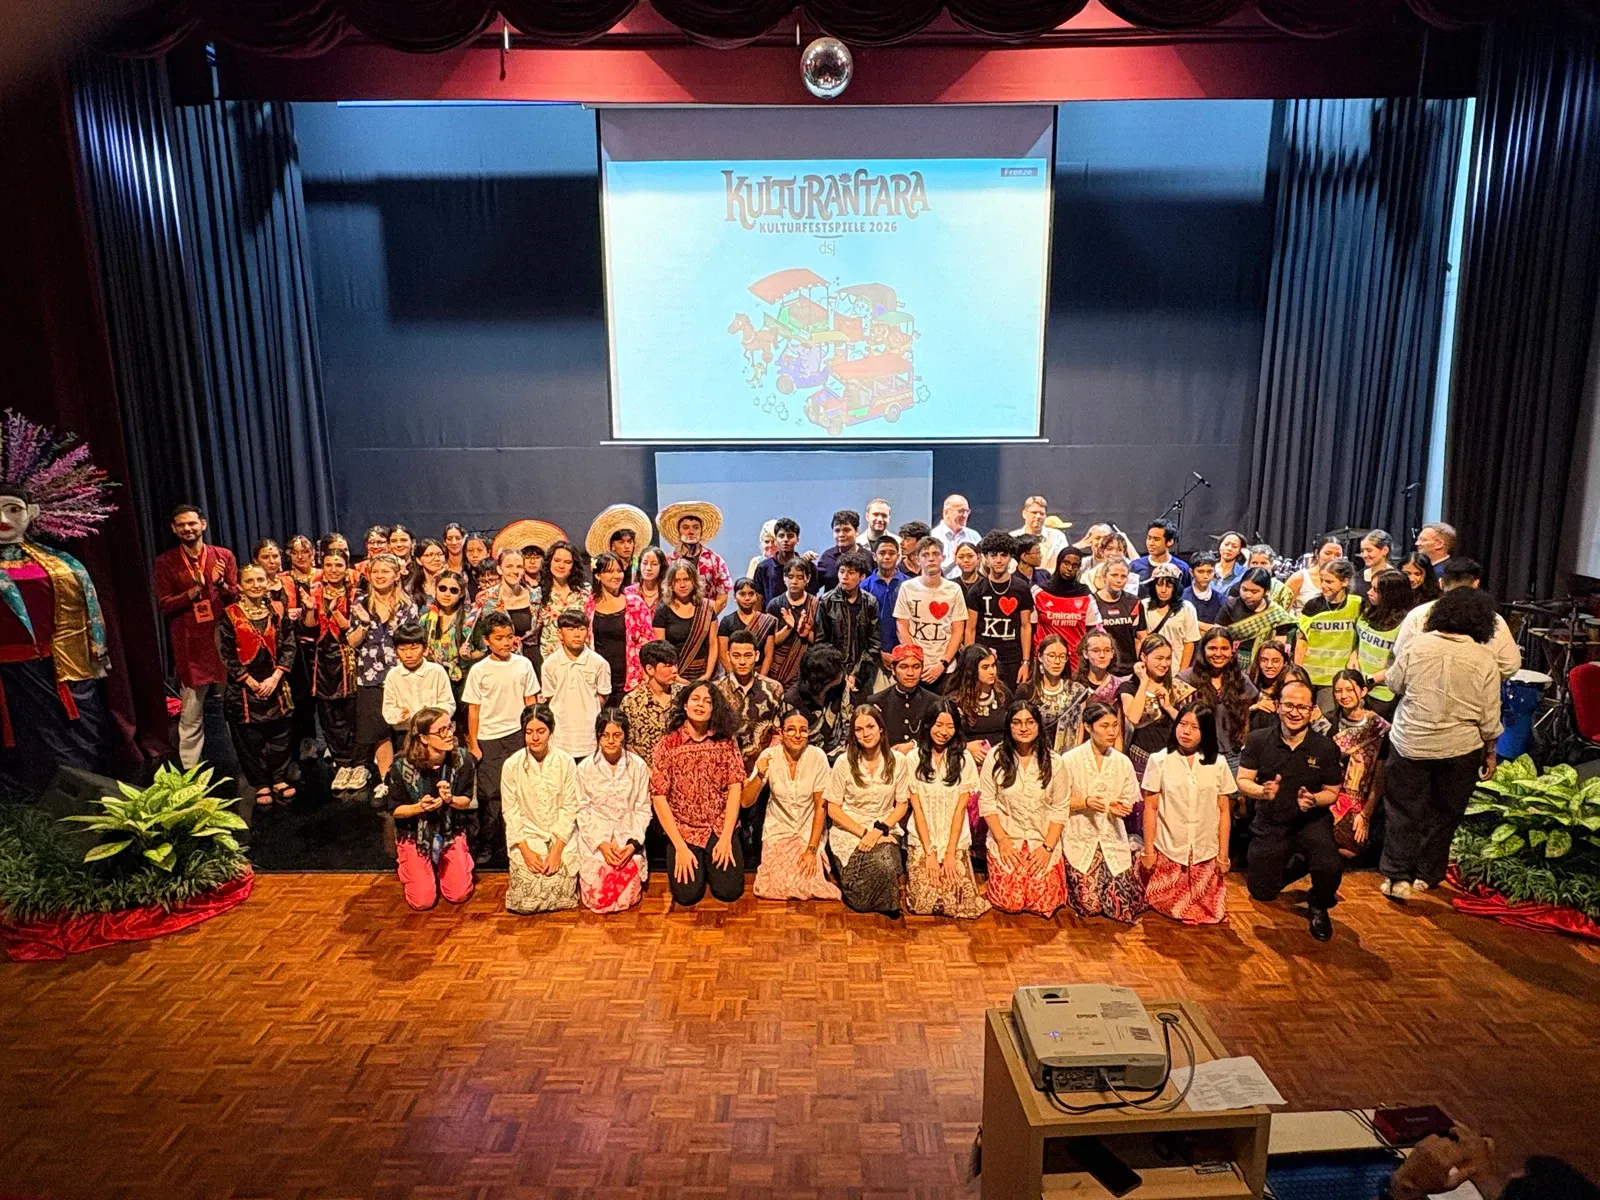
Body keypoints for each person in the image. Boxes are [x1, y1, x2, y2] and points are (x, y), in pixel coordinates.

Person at [1381, 586, 1502, 900]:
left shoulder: (1416, 645)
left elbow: (1393, 683)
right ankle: (1427, 875)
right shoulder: (1485, 659)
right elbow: (1490, 715)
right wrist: (1490, 752)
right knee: (1445, 814)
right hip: (1460, 749)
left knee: (1402, 812)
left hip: (1411, 743)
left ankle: (1397, 877)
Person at [1237, 676, 1344, 940]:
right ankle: (1298, 863)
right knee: (1261, 892)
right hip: (1271, 819)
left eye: (1302, 707)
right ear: (1277, 706)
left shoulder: (1325, 747)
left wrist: (1314, 799)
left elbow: (1332, 792)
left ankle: (1319, 904)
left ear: (1312, 710)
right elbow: (1243, 780)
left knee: (1329, 864)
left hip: (1311, 821)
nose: (1294, 712)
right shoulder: (1259, 740)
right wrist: (1262, 792)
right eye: (1289, 705)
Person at [154, 503, 240, 768]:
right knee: (192, 710)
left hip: (223, 638)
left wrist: (220, 584)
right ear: (174, 529)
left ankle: (239, 761)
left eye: (191, 523)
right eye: (181, 525)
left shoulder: (223, 556)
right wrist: (192, 592)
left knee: (233, 704)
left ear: (203, 524)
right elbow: (164, 604)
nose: (187, 528)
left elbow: (236, 597)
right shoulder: (165, 562)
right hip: (190, 642)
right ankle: (190, 768)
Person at [651, 681, 748, 906]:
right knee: (687, 896)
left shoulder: (726, 741)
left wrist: (726, 837)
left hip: (719, 826)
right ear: (685, 705)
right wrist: (680, 846)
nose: (700, 705)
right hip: (684, 829)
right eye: (695, 699)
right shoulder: (667, 745)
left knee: (729, 891)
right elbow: (659, 796)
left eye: (707, 701)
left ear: (714, 708)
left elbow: (735, 787)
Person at [1140, 705, 1233, 924]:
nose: (1186, 731)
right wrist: (1149, 850)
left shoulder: (1218, 764)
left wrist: (1223, 854)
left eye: (1194, 727)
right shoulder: (1159, 760)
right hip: (1170, 847)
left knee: (1212, 911)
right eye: (1182, 724)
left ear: (1206, 732)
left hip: (1204, 848)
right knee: (1168, 904)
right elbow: (1151, 808)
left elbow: (1223, 810)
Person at [462, 611, 540, 868]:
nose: (506, 642)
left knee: (522, 790)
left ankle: (520, 841)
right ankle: (489, 842)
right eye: (499, 638)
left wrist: (532, 735)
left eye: (509, 637)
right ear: (487, 640)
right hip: (490, 737)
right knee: (491, 794)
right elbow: (474, 709)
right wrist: (474, 744)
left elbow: (531, 702)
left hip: (517, 735)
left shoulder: (523, 665)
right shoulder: (479, 670)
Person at [980, 699, 1070, 917]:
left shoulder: (1055, 762)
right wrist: (1002, 841)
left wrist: (1047, 848)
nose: (1023, 728)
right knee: (1010, 902)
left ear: (1038, 725)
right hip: (1007, 838)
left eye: (1030, 722)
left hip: (1042, 840)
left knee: (1043, 902)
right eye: (1017, 722)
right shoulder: (996, 757)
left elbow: (1060, 808)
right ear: (1009, 726)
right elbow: (987, 803)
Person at [218, 563, 297, 807]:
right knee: (250, 738)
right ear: (240, 586)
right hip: (244, 688)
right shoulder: (229, 615)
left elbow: (289, 645)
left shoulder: (277, 610)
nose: (256, 585)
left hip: (275, 683)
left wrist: (275, 677)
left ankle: (279, 779)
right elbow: (226, 653)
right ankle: (260, 783)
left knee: (280, 734)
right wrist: (251, 682)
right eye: (249, 581)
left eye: (260, 580)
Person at [384, 707, 476, 911]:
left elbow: (466, 801)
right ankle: (415, 864)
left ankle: (447, 861)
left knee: (458, 894)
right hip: (415, 835)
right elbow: (395, 810)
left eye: (450, 727)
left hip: (449, 831)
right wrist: (419, 807)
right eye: (442, 731)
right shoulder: (401, 766)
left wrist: (450, 799)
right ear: (424, 738)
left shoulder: (462, 759)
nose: (449, 734)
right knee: (422, 901)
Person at [1060, 701, 1145, 922]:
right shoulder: (1070, 760)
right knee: (1090, 906)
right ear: (1088, 727)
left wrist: (1119, 808)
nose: (1111, 732)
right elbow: (1058, 802)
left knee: (1120, 906)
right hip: (1080, 837)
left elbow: (1128, 800)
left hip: (1111, 836)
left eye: (1115, 725)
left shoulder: (1122, 762)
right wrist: (1085, 802)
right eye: (1105, 726)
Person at [905, 699, 990, 918]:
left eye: (950, 726)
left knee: (960, 902)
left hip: (954, 837)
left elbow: (960, 810)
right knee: (924, 902)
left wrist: (951, 853)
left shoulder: (964, 759)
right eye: (939, 725)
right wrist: (930, 853)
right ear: (928, 725)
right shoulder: (913, 758)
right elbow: (917, 809)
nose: (944, 732)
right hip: (923, 838)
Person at [746, 707, 839, 901]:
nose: (797, 735)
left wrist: (811, 850)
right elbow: (746, 801)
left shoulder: (817, 756)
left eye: (803, 730)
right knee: (770, 888)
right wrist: (759, 775)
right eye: (791, 729)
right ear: (781, 733)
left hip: (808, 831)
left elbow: (820, 807)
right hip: (778, 830)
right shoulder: (769, 755)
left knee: (807, 883)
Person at [825, 703, 910, 916]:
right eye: (859, 729)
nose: (866, 734)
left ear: (880, 728)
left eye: (870, 727)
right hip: (850, 830)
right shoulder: (844, 762)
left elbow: (902, 805)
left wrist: (878, 831)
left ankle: (888, 902)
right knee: (862, 890)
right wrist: (865, 833)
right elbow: (833, 808)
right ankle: (860, 895)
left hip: (884, 827)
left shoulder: (898, 761)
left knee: (885, 861)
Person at [502, 703, 580, 914]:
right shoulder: (512, 765)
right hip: (528, 836)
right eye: (529, 732)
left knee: (556, 883)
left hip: (560, 837)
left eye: (541, 731)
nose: (535, 738)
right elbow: (510, 811)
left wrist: (556, 851)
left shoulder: (566, 762)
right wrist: (526, 851)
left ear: (550, 731)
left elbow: (570, 807)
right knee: (525, 898)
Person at [349, 554, 418, 795]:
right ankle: (385, 780)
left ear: (396, 575)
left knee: (403, 728)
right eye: (375, 571)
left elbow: (413, 641)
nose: (380, 576)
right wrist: (364, 624)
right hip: (371, 677)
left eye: (385, 571)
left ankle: (406, 780)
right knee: (379, 732)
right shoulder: (361, 603)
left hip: (400, 675)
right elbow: (352, 641)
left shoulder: (407, 605)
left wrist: (397, 628)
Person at [574, 709, 653, 913]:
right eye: (605, 735)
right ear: (598, 736)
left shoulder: (637, 766)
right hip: (596, 835)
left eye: (616, 735)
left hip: (628, 833)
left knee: (627, 894)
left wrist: (632, 844)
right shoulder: (585, 768)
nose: (610, 741)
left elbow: (643, 808)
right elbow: (582, 809)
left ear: (624, 735)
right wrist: (601, 844)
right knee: (599, 892)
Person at [1391, 557, 1520, 679]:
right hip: (1473, 690)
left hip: (1423, 688)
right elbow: (1510, 664)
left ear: (1441, 583)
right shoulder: (1494, 619)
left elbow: (1401, 654)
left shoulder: (1418, 614)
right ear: (1476, 584)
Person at [303, 546, 362, 786]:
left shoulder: (356, 594)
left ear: (346, 568)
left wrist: (336, 611)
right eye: (328, 565)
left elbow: (354, 628)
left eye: (339, 565)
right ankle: (341, 761)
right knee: (328, 715)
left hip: (349, 659)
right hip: (323, 661)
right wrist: (310, 609)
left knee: (352, 713)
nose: (333, 570)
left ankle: (357, 763)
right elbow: (309, 627)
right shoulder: (314, 592)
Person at [1326, 668, 1389, 862]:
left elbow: (1379, 778)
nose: (1344, 696)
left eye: (1350, 690)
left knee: (1352, 848)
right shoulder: (1328, 723)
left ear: (1363, 691)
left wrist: (1366, 814)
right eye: (1338, 691)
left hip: (1363, 800)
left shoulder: (1378, 727)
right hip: (1331, 795)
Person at [1179, 627, 1258, 772]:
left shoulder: (1240, 680)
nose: (1218, 654)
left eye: (1224, 649)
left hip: (1232, 754)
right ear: (1203, 650)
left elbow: (1252, 705)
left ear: (1232, 651)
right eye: (1212, 648)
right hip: (1197, 753)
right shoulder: (1186, 679)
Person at [895, 535, 968, 690]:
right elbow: (902, 628)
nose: (931, 559)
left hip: (946, 668)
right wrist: (916, 661)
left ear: (943, 557)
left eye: (935, 554)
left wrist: (942, 664)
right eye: (925, 555)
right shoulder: (907, 587)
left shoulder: (954, 589)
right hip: (916, 667)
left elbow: (958, 630)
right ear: (917, 559)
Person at [964, 531, 1034, 690]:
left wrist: (1025, 662)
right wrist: (969, 663)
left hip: (1012, 658)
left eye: (1003, 555)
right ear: (985, 558)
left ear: (1010, 557)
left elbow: (1025, 626)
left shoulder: (1021, 588)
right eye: (993, 555)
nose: (998, 560)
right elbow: (970, 629)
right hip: (983, 656)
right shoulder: (976, 590)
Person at [380, 622, 454, 773]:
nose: (408, 654)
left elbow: (448, 704)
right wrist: (399, 714)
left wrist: (429, 717)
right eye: (402, 649)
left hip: (434, 735)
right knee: (408, 772)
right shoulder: (393, 675)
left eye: (414, 648)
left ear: (425, 649)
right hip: (405, 735)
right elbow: (387, 710)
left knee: (436, 771)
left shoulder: (437, 671)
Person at [1118, 633, 1193, 780]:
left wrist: (1169, 708)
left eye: (1168, 658)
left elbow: (1188, 724)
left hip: (1173, 757)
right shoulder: (1129, 688)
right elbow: (1134, 717)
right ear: (1144, 657)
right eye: (1159, 658)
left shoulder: (1176, 687)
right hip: (1142, 757)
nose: (1164, 664)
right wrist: (1144, 682)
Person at [540, 610, 611, 760]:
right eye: (571, 629)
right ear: (560, 634)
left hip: (589, 737)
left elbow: (603, 695)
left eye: (581, 629)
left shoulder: (599, 663)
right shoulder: (549, 665)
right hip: (561, 737)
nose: (577, 634)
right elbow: (551, 698)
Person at [1295, 556, 1360, 715]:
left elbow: (1362, 638)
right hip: (1308, 675)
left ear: (1344, 582)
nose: (1323, 586)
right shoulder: (1312, 606)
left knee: (1325, 719)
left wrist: (1354, 654)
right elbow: (1301, 641)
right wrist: (1297, 673)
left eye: (1329, 582)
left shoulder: (1357, 605)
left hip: (1335, 680)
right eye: (1322, 581)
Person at [715, 629, 783, 772]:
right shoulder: (716, 690)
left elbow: (778, 733)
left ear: (757, 656)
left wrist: (764, 766)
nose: (742, 662)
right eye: (736, 656)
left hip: (764, 769)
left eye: (748, 656)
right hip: (725, 768)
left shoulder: (773, 689)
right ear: (728, 656)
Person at [588, 551, 651, 706]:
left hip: (630, 679)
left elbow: (648, 642)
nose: (616, 576)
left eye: (619, 571)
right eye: (610, 571)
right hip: (598, 679)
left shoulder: (635, 603)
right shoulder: (589, 605)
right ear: (598, 575)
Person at [817, 548, 880, 700]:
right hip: (832, 675)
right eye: (842, 571)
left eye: (851, 573)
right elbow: (821, 642)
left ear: (862, 576)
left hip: (862, 675)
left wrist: (856, 674)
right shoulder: (826, 601)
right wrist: (839, 673)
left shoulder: (870, 602)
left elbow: (874, 643)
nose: (845, 576)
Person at [1350, 568, 1413, 718]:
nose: (1369, 592)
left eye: (1376, 590)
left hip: (1383, 693)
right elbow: (1359, 641)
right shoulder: (1367, 611)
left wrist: (1372, 679)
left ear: (1391, 595)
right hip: (1358, 684)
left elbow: (1403, 662)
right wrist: (1353, 657)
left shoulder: (1405, 625)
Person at [1032, 545, 1100, 672]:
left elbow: (1092, 632)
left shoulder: (1086, 595)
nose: (1070, 568)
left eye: (1075, 565)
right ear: (1059, 563)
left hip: (1075, 663)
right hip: (1045, 661)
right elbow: (1030, 628)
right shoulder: (1039, 592)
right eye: (1066, 563)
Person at [419, 569, 480, 706]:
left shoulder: (470, 620)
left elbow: (482, 650)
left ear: (461, 594)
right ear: (436, 590)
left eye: (453, 590)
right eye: (442, 588)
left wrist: (469, 655)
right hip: (433, 679)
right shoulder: (426, 618)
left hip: (462, 680)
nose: (447, 594)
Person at [660, 501, 732, 614]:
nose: (691, 532)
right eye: (685, 527)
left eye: (696, 527)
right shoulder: (668, 562)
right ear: (678, 531)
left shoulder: (715, 561)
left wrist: (706, 618)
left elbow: (722, 598)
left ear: (701, 531)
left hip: (706, 618)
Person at [1219, 567, 1296, 672]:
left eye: (1254, 592)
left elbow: (1278, 648)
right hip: (1230, 662)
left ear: (1266, 591)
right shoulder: (1230, 606)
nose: (1248, 595)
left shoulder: (1277, 614)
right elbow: (1218, 635)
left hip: (1263, 665)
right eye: (1244, 589)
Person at [866, 643, 939, 752]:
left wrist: (914, 745)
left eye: (916, 667)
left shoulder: (934, 702)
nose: (910, 673)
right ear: (893, 669)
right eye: (903, 667)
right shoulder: (877, 702)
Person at [653, 562, 718, 684]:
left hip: (703, 674)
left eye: (686, 579)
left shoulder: (707, 608)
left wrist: (708, 674)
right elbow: (661, 649)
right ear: (670, 584)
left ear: (694, 581)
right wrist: (676, 677)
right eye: (677, 581)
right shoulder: (663, 610)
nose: (682, 585)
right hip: (673, 675)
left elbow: (713, 644)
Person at [1022, 634, 1088, 753]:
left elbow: (1079, 731)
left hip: (1068, 757)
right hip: (1034, 755)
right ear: (1040, 657)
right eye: (1051, 656)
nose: (1057, 662)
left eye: (1062, 657)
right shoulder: (1026, 691)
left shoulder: (1077, 691)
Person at [783, 643, 850, 757]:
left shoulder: (840, 686)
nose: (842, 672)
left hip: (840, 753)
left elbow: (848, 722)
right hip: (806, 756)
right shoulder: (793, 699)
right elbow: (792, 739)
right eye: (838, 670)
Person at [471, 548, 537, 661]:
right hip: (499, 659)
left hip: (531, 658)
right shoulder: (486, 598)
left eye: (519, 567)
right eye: (509, 566)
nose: (515, 571)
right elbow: (473, 631)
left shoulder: (535, 596)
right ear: (499, 569)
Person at [621, 639, 679, 764]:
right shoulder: (631, 702)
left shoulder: (684, 696)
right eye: (668, 666)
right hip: (646, 769)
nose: (674, 670)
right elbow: (627, 743)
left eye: (675, 665)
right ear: (650, 669)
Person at [532, 541, 588, 665]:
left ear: (574, 565)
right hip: (550, 657)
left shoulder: (585, 592)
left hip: (580, 656)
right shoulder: (538, 593)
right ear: (549, 562)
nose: (561, 566)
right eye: (557, 560)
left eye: (567, 562)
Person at [765, 557, 819, 687]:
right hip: (777, 671)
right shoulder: (775, 605)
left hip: (807, 670)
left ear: (807, 579)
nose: (794, 581)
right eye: (790, 577)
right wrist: (788, 628)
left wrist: (806, 633)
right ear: (784, 578)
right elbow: (769, 642)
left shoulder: (816, 604)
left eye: (799, 577)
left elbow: (821, 641)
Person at [951, 643, 1010, 762]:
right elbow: (945, 737)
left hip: (1000, 758)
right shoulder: (955, 700)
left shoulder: (1003, 693)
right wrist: (965, 747)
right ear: (971, 670)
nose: (992, 671)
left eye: (993, 665)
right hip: (966, 760)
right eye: (985, 667)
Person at [861, 535, 904, 687]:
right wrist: (880, 651)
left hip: (904, 653)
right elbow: (863, 625)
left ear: (898, 556)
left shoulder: (909, 584)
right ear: (874, 556)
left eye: (891, 553)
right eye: (882, 553)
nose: (887, 557)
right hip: (874, 655)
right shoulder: (864, 587)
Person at [1070, 629, 1125, 749]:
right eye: (1096, 651)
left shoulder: (1119, 686)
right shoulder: (1073, 685)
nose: (1102, 655)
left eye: (1107, 650)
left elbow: (1119, 730)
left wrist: (1118, 756)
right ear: (1085, 653)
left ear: (1112, 653)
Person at [1141, 564, 1199, 671]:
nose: (1163, 590)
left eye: (1168, 586)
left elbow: (1189, 643)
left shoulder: (1187, 608)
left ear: (1175, 588)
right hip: (1149, 669)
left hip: (1174, 668)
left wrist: (1181, 673)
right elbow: (1140, 639)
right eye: (1159, 585)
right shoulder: (1144, 606)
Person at [716, 577, 776, 679]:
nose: (747, 598)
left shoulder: (766, 622)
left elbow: (769, 655)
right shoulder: (727, 621)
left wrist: (761, 679)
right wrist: (734, 677)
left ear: (756, 596)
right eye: (742, 594)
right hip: (734, 674)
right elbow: (723, 654)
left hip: (758, 674)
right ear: (735, 597)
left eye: (751, 594)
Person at [1094, 558, 1145, 675]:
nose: (1119, 580)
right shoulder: (1092, 602)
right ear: (1104, 577)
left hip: (1129, 670)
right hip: (1101, 670)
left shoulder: (1134, 602)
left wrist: (1140, 664)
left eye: (1123, 576)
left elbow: (1141, 638)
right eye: (1114, 575)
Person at [1286, 536, 1346, 614]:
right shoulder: (1299, 578)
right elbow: (1282, 611)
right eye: (1327, 553)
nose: (1332, 558)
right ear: (1317, 553)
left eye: (1338, 555)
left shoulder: (1344, 581)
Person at [752, 516, 803, 604]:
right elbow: (757, 601)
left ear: (797, 540)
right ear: (776, 539)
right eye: (781, 536)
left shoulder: (807, 567)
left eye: (790, 536)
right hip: (770, 612)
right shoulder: (763, 568)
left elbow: (811, 601)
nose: (785, 540)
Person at [1130, 519, 1191, 592]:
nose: (1150, 543)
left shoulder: (1182, 568)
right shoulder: (1135, 566)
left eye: (1156, 539)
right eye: (1149, 538)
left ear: (1170, 541)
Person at [1012, 495, 1068, 573]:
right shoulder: (1013, 538)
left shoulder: (1058, 537)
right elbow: (1010, 568)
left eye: (1042, 513)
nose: (1038, 516)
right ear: (1024, 514)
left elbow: (1064, 565)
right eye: (1034, 512)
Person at [931, 493, 982, 576]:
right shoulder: (933, 536)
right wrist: (954, 561)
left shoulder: (974, 536)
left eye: (967, 511)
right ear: (946, 512)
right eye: (961, 511)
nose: (965, 515)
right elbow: (931, 571)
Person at [1248, 639, 1293, 733]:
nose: (1269, 665)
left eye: (1275, 661)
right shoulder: (1247, 684)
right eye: (1264, 660)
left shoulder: (1291, 687)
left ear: (1285, 662)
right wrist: (1254, 707)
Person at [815, 509, 863, 591]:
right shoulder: (827, 557)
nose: (841, 535)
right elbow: (812, 587)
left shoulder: (868, 557)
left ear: (856, 531)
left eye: (846, 530)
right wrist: (807, 566)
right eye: (837, 531)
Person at [1183, 551, 1227, 630]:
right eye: (1200, 571)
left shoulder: (1221, 600)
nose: (1206, 576)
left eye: (1210, 571)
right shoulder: (1181, 598)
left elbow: (1225, 629)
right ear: (1191, 572)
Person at [627, 544, 668, 615]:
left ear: (661, 567)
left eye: (654, 564)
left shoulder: (668, 593)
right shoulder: (629, 592)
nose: (648, 568)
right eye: (645, 563)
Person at [410, 538, 447, 607]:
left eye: (440, 554)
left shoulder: (455, 582)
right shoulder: (412, 588)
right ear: (419, 560)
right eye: (430, 555)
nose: (437, 559)